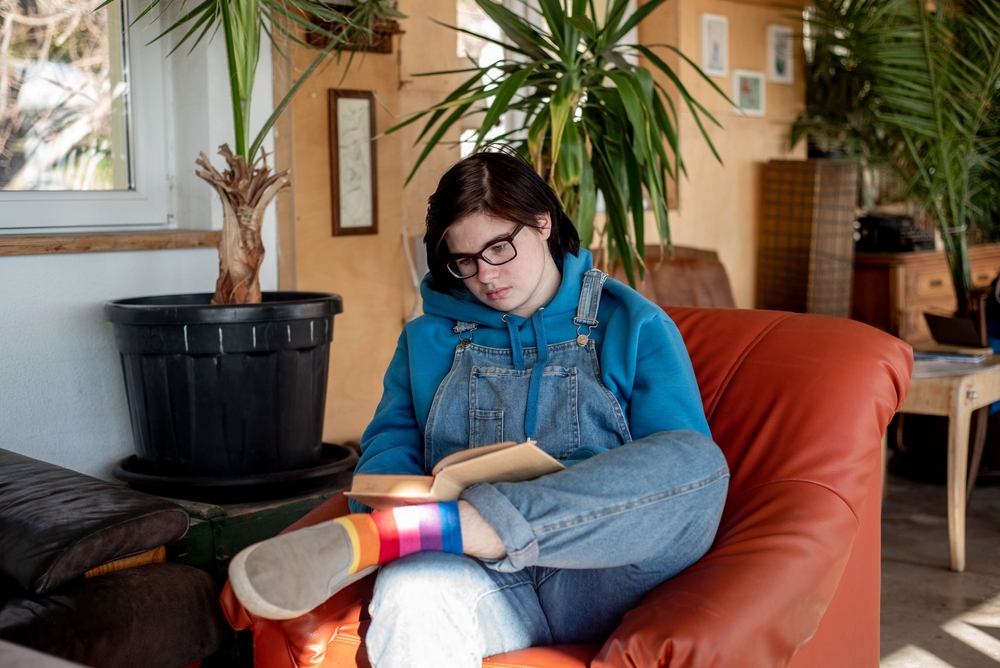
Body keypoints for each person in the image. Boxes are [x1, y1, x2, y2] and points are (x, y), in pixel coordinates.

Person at [228, 149, 729, 668]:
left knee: (699, 462)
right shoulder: (426, 340)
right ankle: (437, 530)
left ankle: (456, 527)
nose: (485, 275)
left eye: (498, 248)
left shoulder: (633, 324)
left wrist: (510, 511)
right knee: (412, 589)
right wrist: (394, 497)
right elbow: (388, 446)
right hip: (483, 578)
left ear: (542, 222)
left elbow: (671, 477)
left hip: (602, 575)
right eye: (463, 261)